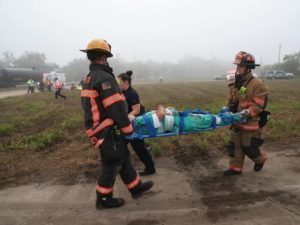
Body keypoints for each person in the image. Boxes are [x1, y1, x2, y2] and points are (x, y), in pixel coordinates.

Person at [80, 38, 153, 209]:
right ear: (104, 57)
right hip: (105, 129)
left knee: (121, 155)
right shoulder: (104, 77)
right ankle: (103, 199)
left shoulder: (90, 77)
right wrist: (128, 129)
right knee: (112, 161)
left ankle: (135, 187)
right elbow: (116, 107)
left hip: (101, 127)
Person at [224, 51, 269, 176]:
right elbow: (232, 100)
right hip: (236, 121)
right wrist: (228, 109)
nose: (238, 69)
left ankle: (260, 159)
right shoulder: (236, 83)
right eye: (237, 66)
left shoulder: (257, 84)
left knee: (248, 147)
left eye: (241, 66)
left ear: (249, 68)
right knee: (234, 145)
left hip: (250, 123)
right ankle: (235, 168)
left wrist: (246, 113)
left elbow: (259, 105)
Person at [118, 71, 156, 176]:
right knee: (120, 145)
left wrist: (125, 119)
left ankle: (150, 167)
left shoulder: (132, 93)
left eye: (119, 81)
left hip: (135, 124)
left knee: (139, 148)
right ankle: (122, 167)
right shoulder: (122, 92)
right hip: (126, 124)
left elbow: (136, 110)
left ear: (125, 82)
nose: (117, 83)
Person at [128, 105, 242, 135]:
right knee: (209, 120)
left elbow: (160, 116)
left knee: (204, 116)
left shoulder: (138, 125)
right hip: (183, 124)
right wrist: (160, 107)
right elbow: (161, 114)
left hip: (180, 120)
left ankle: (226, 115)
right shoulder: (138, 122)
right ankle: (239, 116)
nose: (131, 114)